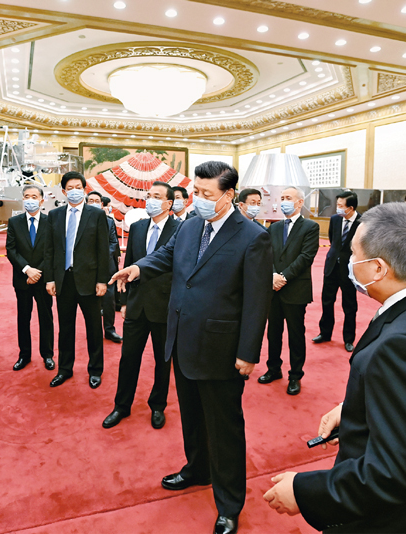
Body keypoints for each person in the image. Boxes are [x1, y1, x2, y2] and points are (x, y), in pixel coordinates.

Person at [264, 202, 406, 533]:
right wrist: (356, 407)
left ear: (379, 268)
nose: (349, 261)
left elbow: (392, 473)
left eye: (354, 254)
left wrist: (303, 491)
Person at [112, 161, 272, 534]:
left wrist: (248, 352)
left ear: (229, 194)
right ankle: (197, 470)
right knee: (192, 417)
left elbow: (257, 300)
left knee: (224, 428)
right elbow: (166, 256)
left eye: (206, 194)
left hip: (221, 349)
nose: (198, 199)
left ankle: (229, 503)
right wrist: (139, 268)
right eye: (196, 192)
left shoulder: (253, 237)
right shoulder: (189, 226)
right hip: (182, 340)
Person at [103, 182, 179, 430]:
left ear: (168, 203)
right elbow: (129, 265)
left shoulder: (180, 229)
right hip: (136, 305)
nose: (150, 200)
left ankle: (158, 406)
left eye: (157, 196)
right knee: (128, 359)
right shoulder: (137, 227)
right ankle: (121, 406)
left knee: (162, 361)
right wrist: (123, 302)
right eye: (149, 196)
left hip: (164, 306)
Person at [44, 172, 110, 389]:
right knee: (65, 328)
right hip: (64, 280)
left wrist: (102, 281)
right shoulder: (54, 215)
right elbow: (49, 249)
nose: (74, 191)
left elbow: (103, 250)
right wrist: (50, 279)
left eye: (78, 187)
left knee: (94, 328)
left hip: (89, 281)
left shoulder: (96, 215)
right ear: (64, 191)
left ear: (84, 189)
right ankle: (65, 369)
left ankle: (95, 370)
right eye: (70, 188)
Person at [258, 187, 319, 395]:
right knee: (273, 333)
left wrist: (283, 277)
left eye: (288, 198)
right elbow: (266, 254)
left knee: (296, 334)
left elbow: (306, 257)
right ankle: (273, 369)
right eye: (282, 198)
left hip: (295, 289)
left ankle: (295, 375)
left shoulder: (310, 227)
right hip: (273, 290)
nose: (284, 201)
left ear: (300, 202)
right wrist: (273, 275)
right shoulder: (274, 227)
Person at [5, 184, 55, 372]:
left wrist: (37, 272)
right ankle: (24, 355)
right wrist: (27, 270)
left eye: (34, 196)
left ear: (42, 200)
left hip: (43, 279)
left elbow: (52, 251)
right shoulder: (14, 222)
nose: (30, 200)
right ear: (22, 199)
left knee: (46, 317)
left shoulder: (50, 221)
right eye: (27, 196)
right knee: (23, 318)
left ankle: (47, 354)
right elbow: (11, 250)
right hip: (22, 279)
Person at [314, 191, 360, 352]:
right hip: (332, 267)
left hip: (349, 270)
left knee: (349, 306)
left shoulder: (363, 223)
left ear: (351, 208)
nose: (338, 208)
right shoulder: (335, 219)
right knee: (327, 302)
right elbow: (333, 241)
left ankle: (349, 339)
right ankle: (325, 333)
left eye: (341, 206)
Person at [87, 191, 122, 343]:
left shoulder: (109, 221)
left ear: (102, 204)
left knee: (109, 300)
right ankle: (94, 331)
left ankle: (109, 329)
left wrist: (102, 258)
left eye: (97, 201)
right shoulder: (82, 221)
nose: (94, 203)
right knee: (91, 301)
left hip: (107, 266)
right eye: (91, 200)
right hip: (88, 267)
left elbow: (113, 242)